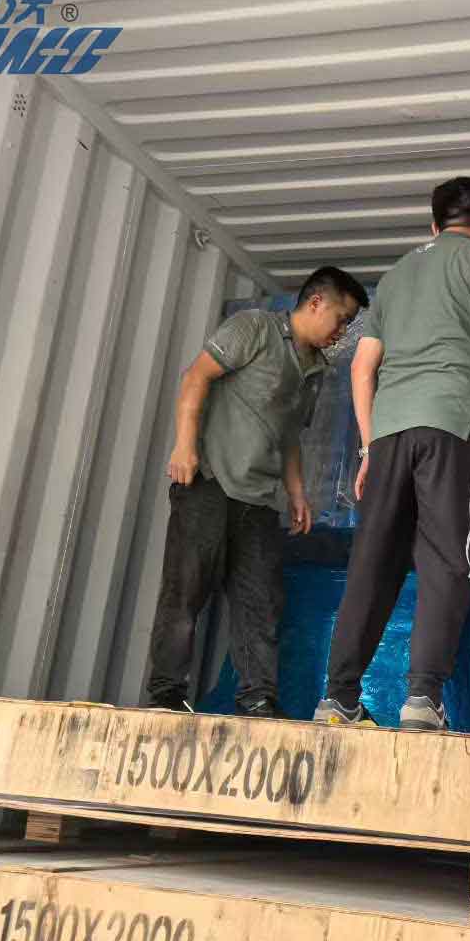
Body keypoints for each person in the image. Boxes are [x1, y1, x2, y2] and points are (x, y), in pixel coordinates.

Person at [313, 176, 470, 732]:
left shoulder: (395, 277)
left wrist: (368, 447)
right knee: (448, 561)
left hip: (389, 433)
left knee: (372, 562)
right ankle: (422, 699)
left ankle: (338, 699)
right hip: (453, 425)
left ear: (434, 225)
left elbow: (362, 368)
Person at [145, 266, 368, 716]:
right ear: (316, 302)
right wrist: (184, 447)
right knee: (185, 591)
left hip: (259, 501)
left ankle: (258, 698)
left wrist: (298, 494)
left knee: (260, 602)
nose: (341, 332)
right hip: (209, 483)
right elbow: (195, 378)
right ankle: (166, 694)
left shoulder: (314, 370)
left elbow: (289, 435)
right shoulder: (254, 329)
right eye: (341, 319)